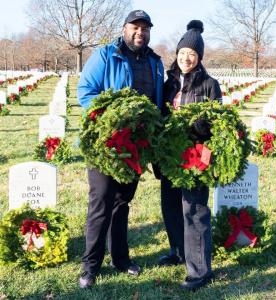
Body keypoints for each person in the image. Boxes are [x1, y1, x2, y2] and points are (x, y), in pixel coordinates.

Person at [77, 9, 164, 289]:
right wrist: (111, 118)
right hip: (107, 143)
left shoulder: (155, 62)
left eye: (145, 28)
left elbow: (158, 103)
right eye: (135, 27)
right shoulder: (106, 55)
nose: (140, 32)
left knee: (122, 202)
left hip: (137, 146)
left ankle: (121, 258)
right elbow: (86, 92)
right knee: (101, 202)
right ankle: (90, 266)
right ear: (124, 29)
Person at [158, 20, 222, 291]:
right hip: (170, 156)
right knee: (171, 205)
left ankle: (199, 272)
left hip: (195, 156)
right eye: (183, 52)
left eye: (192, 54)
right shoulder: (169, 82)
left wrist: (200, 126)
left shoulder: (209, 84)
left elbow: (217, 121)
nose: (186, 58)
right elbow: (160, 114)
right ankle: (178, 252)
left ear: (199, 57)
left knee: (194, 211)